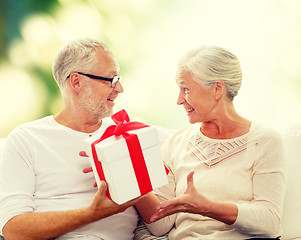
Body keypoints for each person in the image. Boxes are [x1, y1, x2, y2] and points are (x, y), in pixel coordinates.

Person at [0, 38, 159, 240]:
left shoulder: (125, 133)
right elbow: (13, 230)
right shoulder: (26, 139)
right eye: (110, 80)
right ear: (76, 82)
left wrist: (129, 172)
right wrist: (92, 213)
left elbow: (158, 224)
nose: (119, 89)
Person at [143, 46, 286, 239]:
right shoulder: (174, 145)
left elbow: (269, 221)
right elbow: (159, 225)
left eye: (185, 89)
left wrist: (207, 207)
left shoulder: (264, 141)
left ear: (217, 89)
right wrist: (128, 182)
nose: (178, 100)